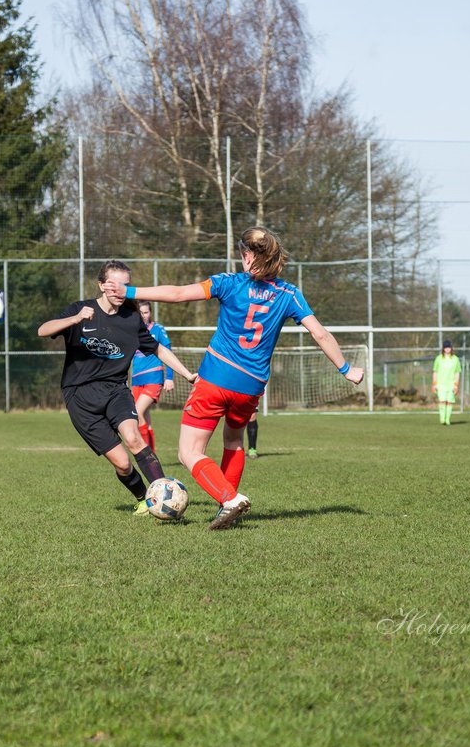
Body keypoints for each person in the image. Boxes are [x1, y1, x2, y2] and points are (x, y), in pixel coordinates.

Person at [103, 227, 364, 530]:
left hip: (216, 378)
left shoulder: (228, 283)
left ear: (248, 255)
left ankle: (229, 499)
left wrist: (129, 292)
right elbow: (319, 333)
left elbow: (177, 294)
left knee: (188, 452)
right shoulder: (289, 293)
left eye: (242, 253)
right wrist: (347, 369)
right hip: (251, 386)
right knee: (234, 441)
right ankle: (224, 507)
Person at [38, 261, 198, 515]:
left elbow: (157, 349)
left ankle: (165, 494)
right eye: (114, 285)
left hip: (115, 390)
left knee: (134, 438)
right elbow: (43, 330)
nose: (120, 290)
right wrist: (75, 318)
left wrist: (188, 374)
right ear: (101, 285)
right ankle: (143, 498)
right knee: (123, 464)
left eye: (126, 285)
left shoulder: (131, 319)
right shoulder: (80, 310)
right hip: (79, 396)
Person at [130, 301, 175, 452]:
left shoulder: (157, 329)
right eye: (140, 313)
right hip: (136, 379)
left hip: (153, 378)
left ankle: (146, 454)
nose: (143, 315)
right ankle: (152, 455)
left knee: (137, 412)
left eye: (146, 312)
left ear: (150, 313)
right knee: (145, 418)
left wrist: (169, 377)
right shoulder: (132, 331)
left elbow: (168, 353)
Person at [432, 339, 462, 425]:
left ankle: (447, 419)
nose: (447, 349)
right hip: (440, 384)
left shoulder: (455, 359)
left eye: (449, 347)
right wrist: (434, 384)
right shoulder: (438, 358)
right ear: (443, 349)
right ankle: (442, 418)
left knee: (449, 401)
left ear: (451, 348)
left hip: (451, 384)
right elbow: (435, 371)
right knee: (442, 400)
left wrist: (456, 385)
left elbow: (457, 372)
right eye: (446, 347)